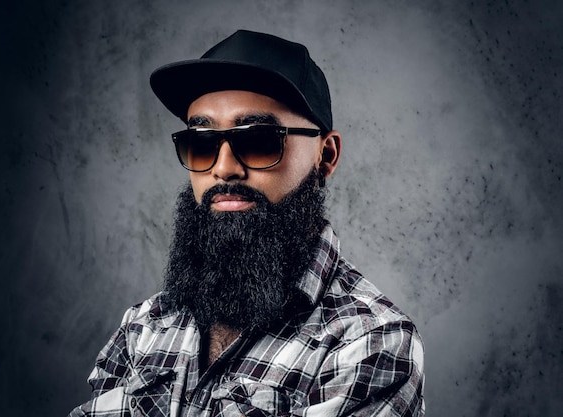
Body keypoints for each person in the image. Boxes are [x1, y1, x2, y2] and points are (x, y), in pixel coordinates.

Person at [69, 29, 424, 417]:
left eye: (259, 140)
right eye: (202, 142)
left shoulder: (370, 341)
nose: (223, 168)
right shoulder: (144, 327)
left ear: (326, 155)